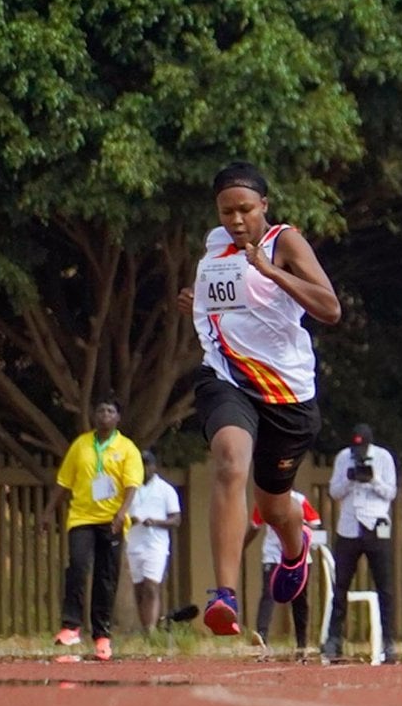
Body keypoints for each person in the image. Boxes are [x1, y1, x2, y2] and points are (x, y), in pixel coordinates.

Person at [179, 162, 341, 638]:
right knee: (230, 462)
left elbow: (330, 308)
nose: (236, 220)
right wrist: (195, 303)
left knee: (273, 507)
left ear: (264, 205)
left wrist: (271, 271)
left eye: (245, 209)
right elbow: (227, 305)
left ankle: (294, 547)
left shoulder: (284, 242)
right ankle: (224, 595)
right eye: (226, 211)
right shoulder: (214, 245)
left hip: (287, 393)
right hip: (226, 377)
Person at [43, 397, 144, 661]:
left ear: (118, 418)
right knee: (77, 567)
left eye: (110, 411)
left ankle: (102, 636)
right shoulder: (81, 445)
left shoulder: (127, 448)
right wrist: (48, 511)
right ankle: (71, 626)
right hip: (82, 517)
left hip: (112, 520)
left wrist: (121, 513)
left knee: (105, 577)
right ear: (93, 415)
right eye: (100, 410)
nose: (105, 415)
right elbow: (64, 481)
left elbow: (132, 485)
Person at [323, 424, 398, 663]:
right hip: (349, 526)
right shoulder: (343, 457)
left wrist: (373, 479)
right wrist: (350, 480)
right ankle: (334, 637)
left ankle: (388, 639)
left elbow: (391, 492)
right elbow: (334, 491)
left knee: (385, 586)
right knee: (341, 585)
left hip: (376, 525)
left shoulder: (383, 457)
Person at [249, 490, 324, 657]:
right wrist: (242, 546)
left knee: (299, 598)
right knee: (268, 594)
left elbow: (315, 523)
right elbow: (255, 526)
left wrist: (301, 529)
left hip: (298, 555)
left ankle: (301, 642)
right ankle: (261, 636)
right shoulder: (264, 499)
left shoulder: (300, 500)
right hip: (273, 554)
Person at [123, 450, 182, 642]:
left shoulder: (165, 490)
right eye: (140, 465)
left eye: (147, 464)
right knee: (139, 589)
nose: (144, 468)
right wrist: (130, 520)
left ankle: (151, 630)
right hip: (134, 543)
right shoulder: (130, 489)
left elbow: (176, 519)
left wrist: (155, 522)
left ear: (154, 466)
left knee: (151, 586)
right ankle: (145, 628)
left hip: (156, 544)